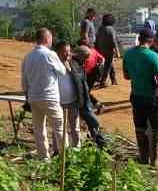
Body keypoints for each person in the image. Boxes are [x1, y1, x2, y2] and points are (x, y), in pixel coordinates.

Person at [122, 29, 158, 165]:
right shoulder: (152, 56)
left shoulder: (128, 54)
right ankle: (156, 160)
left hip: (136, 96)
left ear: (139, 38)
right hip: (151, 98)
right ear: (151, 40)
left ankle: (143, 158)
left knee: (140, 128)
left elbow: (126, 76)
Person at [20, 28, 64, 162]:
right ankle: (66, 157)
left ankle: (44, 157)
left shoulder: (28, 56)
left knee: (39, 128)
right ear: (46, 39)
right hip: (49, 97)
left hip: (34, 97)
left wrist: (27, 94)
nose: (52, 41)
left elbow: (24, 80)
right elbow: (62, 72)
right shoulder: (50, 54)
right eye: (51, 38)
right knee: (59, 127)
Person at [70, 46, 107, 147]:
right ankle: (100, 144)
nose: (87, 60)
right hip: (80, 101)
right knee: (92, 122)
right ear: (80, 55)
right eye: (86, 57)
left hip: (83, 99)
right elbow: (79, 87)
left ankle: (97, 142)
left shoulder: (80, 65)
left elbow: (84, 87)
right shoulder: (73, 66)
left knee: (91, 123)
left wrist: (93, 101)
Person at [52, 41, 83, 150]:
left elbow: (81, 81)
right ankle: (58, 151)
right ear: (57, 53)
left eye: (69, 51)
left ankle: (77, 149)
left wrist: (70, 70)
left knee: (75, 127)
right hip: (58, 103)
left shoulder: (74, 64)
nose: (68, 54)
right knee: (58, 128)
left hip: (73, 101)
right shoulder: (53, 65)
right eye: (65, 52)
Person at [95, 13, 119, 86]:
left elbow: (97, 39)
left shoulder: (100, 28)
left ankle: (113, 79)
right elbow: (114, 41)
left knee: (110, 63)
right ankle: (103, 80)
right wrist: (117, 51)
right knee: (108, 65)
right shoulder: (111, 29)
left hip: (101, 49)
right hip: (109, 50)